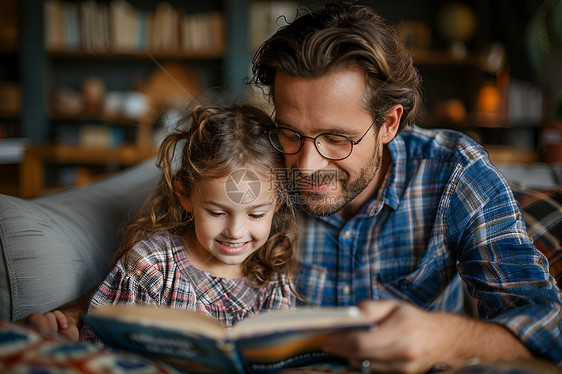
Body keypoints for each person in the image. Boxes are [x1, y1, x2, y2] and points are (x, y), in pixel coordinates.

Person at [23, 1, 562, 372]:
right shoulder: (258, 169)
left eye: (336, 138)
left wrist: (442, 337)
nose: (305, 166)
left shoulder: (452, 173)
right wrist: (70, 318)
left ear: (391, 123)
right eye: (291, 133)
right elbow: (162, 261)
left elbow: (546, 320)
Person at [73, 103, 297, 344]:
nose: (235, 232)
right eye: (216, 212)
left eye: (255, 215)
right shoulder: (151, 267)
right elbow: (100, 351)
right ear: (185, 197)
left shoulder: (274, 273)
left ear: (277, 205)